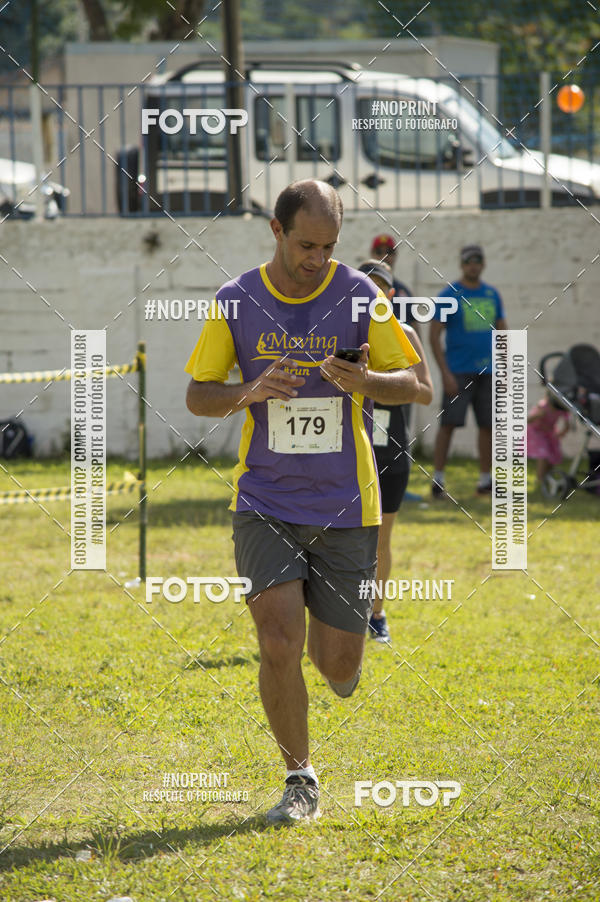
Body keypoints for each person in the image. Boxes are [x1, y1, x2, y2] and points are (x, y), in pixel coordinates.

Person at [185, 180, 420, 826]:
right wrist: (251, 389)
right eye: (306, 245)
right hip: (264, 498)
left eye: (329, 247)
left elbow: (413, 383)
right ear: (277, 231)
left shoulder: (361, 296)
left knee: (338, 665)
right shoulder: (235, 301)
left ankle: (338, 651)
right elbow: (198, 395)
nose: (318, 259)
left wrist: (367, 380)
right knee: (278, 640)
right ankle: (300, 778)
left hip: (347, 503)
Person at [357, 260, 433, 643]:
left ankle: (376, 614)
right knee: (339, 538)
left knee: (380, 539)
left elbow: (427, 392)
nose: (373, 296)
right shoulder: (341, 334)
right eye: (365, 288)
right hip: (348, 449)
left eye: (380, 289)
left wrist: (382, 384)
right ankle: (337, 613)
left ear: (391, 294)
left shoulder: (405, 333)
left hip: (391, 451)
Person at [429, 244, 507, 499]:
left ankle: (485, 481)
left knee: (488, 426)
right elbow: (434, 335)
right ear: (462, 265)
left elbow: (502, 331)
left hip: (488, 371)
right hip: (458, 372)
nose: (473, 265)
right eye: (468, 261)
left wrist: (504, 367)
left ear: (483, 264)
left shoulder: (492, 294)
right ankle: (438, 480)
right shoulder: (449, 295)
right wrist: (445, 373)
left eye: (477, 261)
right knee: (448, 425)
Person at [527, 389, 570, 485]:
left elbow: (567, 425)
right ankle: (540, 480)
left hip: (550, 433)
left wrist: (560, 434)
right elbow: (528, 420)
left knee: (552, 456)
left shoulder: (562, 408)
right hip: (536, 432)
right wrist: (538, 415)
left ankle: (548, 478)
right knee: (544, 454)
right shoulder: (542, 406)